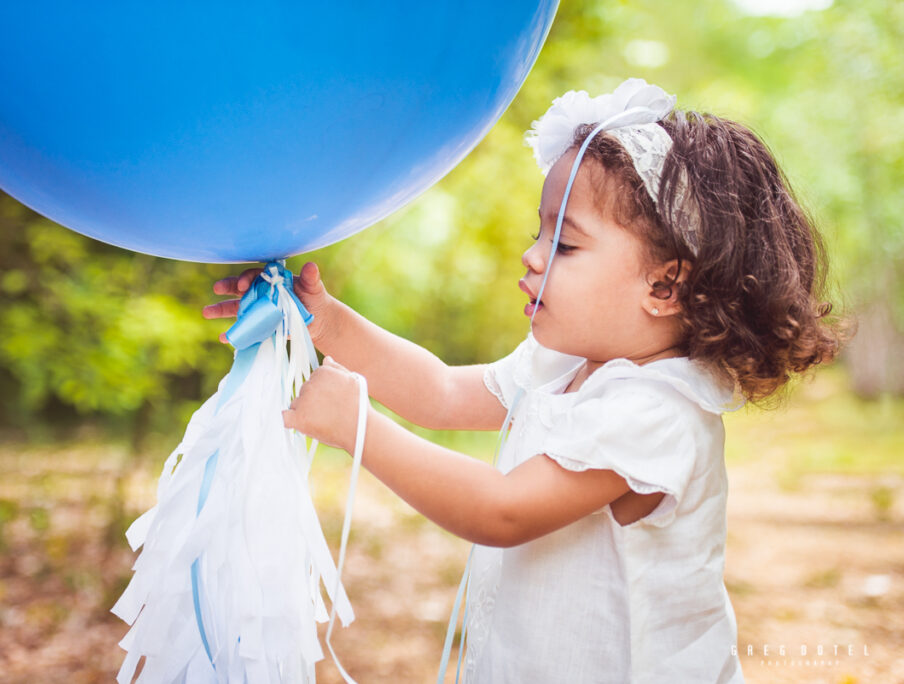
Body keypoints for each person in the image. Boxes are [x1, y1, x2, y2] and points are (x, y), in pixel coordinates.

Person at [202, 79, 844, 683]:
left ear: (665, 285)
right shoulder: (564, 366)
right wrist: (328, 323)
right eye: (539, 233)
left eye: (564, 245)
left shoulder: (659, 413)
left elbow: (501, 509)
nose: (532, 255)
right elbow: (441, 393)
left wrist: (357, 425)